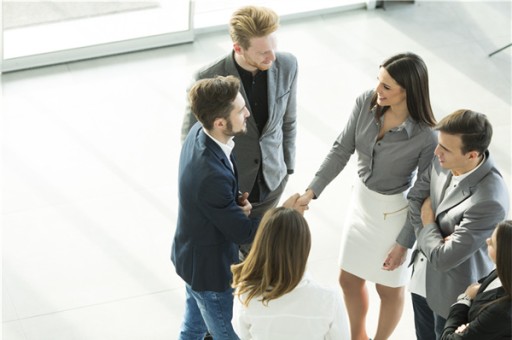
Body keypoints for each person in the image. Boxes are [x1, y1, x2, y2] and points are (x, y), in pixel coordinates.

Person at [297, 52, 437, 340]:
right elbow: (341, 149)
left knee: (388, 288)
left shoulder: (425, 136)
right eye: (378, 81)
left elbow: (424, 194)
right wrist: (311, 191)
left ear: (408, 91)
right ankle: (357, 336)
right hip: (360, 204)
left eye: (387, 86)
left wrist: (403, 243)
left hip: (394, 215)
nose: (378, 90)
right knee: (348, 279)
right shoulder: (366, 102)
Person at [171, 75, 301, 340]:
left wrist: (232, 205)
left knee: (193, 328)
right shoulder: (209, 175)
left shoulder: (201, 131)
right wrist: (283, 213)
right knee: (225, 334)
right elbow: (244, 233)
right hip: (209, 271)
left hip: (192, 257)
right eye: (241, 111)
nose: (248, 114)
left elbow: (216, 199)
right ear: (220, 123)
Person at [181, 6, 298, 256]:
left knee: (263, 249)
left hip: (272, 180)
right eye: (263, 53)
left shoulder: (288, 64)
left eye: (273, 48)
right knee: (230, 254)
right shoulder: (207, 77)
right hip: (232, 188)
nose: (272, 58)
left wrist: (287, 166)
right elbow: (190, 136)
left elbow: (289, 120)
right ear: (238, 48)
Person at [395, 109, 510, 340]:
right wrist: (436, 236)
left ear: (472, 155)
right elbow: (416, 198)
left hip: (450, 296)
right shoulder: (441, 159)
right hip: (421, 279)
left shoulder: (489, 200)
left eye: (445, 149)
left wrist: (429, 222)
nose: (436, 151)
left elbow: (443, 258)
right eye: (439, 144)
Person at [231, 207, 350, 340]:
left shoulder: (246, 295)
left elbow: (243, 335)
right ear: (305, 247)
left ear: (261, 244)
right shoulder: (329, 299)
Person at [440, 220, 512, 340]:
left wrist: (464, 299)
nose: (487, 241)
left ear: (504, 255)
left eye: (492, 243)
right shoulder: (502, 271)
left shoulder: (501, 312)